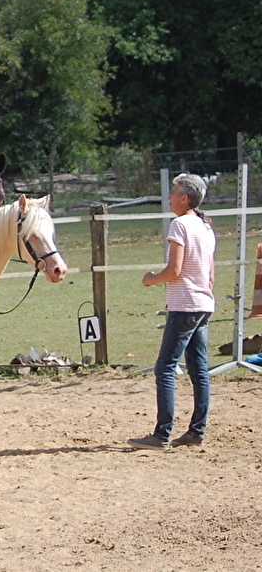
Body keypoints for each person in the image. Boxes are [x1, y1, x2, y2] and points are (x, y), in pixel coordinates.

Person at [130, 172, 215, 450]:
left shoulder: (179, 225)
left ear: (184, 198)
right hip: (203, 303)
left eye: (174, 192)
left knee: (165, 368)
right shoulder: (206, 226)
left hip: (184, 306)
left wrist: (150, 278)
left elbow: (174, 270)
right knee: (199, 370)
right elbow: (210, 274)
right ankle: (196, 430)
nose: (169, 196)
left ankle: (162, 434)